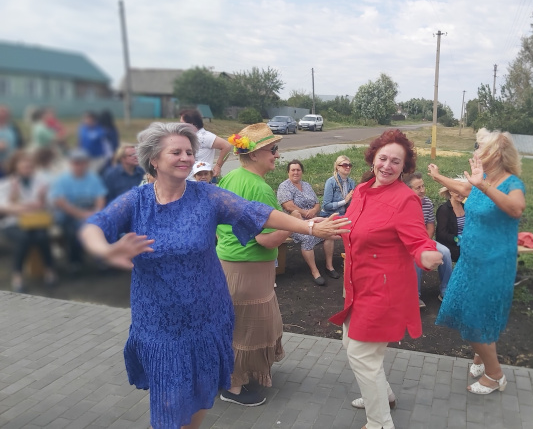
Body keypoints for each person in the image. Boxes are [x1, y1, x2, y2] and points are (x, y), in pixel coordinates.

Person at [78, 122, 349, 429]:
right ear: (154, 159)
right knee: (169, 401)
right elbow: (93, 226)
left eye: (189, 152)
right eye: (176, 152)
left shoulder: (206, 196)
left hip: (208, 318)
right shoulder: (136, 201)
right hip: (160, 323)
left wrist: (310, 226)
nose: (186, 157)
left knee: (201, 392)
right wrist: (106, 251)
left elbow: (256, 212)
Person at [329, 129, 443, 429]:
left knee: (362, 354)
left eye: (396, 161)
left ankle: (380, 422)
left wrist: (425, 254)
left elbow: (418, 238)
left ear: (404, 167)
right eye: (383, 158)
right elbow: (351, 223)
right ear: (373, 158)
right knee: (353, 345)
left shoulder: (406, 199)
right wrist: (324, 224)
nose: (387, 166)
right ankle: (384, 395)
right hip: (357, 283)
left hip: (383, 290)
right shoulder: (363, 189)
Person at [427, 128, 526, 395]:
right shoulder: (484, 179)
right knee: (461, 309)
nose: (476, 152)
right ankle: (481, 356)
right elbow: (463, 188)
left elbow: (516, 208)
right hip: (470, 261)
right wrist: (438, 176)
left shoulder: (512, 183)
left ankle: (495, 375)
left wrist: (483, 185)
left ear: (495, 154)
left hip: (493, 264)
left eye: (480, 148)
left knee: (473, 319)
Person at [216, 123, 295, 406]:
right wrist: (292, 225)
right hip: (249, 272)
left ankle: (229, 378)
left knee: (233, 327)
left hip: (227, 266)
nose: (277, 155)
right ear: (253, 154)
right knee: (248, 331)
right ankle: (234, 388)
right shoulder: (259, 188)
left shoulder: (230, 177)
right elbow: (266, 239)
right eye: (273, 150)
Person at [0, 150, 57, 292]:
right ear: (16, 167)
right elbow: (3, 207)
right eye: (24, 166)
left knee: (42, 236)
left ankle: (49, 271)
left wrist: (42, 200)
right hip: (12, 222)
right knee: (24, 238)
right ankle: (17, 276)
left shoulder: (41, 182)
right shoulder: (6, 183)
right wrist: (24, 206)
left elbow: (49, 204)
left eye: (30, 166)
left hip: (36, 221)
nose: (28, 169)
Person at [277, 159, 338, 285]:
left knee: (329, 233)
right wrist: (305, 213)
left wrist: (314, 210)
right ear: (288, 172)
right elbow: (288, 206)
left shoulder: (306, 185)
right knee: (307, 238)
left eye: (298, 170)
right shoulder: (284, 187)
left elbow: (317, 203)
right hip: (294, 223)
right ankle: (315, 271)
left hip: (312, 219)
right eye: (293, 170)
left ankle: (329, 266)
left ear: (302, 172)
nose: (296, 172)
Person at [49, 148, 107, 272]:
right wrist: (82, 215)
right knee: (73, 231)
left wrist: (97, 211)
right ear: (71, 163)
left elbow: (100, 197)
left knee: (103, 226)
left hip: (89, 211)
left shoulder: (93, 178)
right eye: (76, 163)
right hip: (69, 213)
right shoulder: (62, 180)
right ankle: (75, 262)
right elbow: (61, 202)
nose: (80, 166)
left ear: (87, 163)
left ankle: (101, 258)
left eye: (82, 162)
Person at [403, 172, 453, 307]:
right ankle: (415, 295)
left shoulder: (427, 203)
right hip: (407, 243)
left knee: (445, 252)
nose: (422, 190)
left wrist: (425, 244)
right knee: (416, 258)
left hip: (423, 240)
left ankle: (446, 290)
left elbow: (430, 227)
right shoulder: (402, 204)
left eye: (423, 186)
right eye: (418, 188)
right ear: (408, 190)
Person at [179, 108, 232, 180]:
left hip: (200, 180)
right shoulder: (189, 137)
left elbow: (227, 146)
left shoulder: (205, 136)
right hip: (188, 180)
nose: (180, 126)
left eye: (182, 124)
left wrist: (218, 166)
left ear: (191, 124)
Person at [435, 180, 467, 264]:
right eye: (457, 192)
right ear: (451, 192)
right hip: (451, 245)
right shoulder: (444, 209)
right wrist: (456, 239)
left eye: (462, 191)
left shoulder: (465, 207)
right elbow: (441, 234)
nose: (460, 194)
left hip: (466, 242)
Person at [0, 105, 20, 177]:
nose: (4, 114)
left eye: (6, 112)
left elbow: (20, 143)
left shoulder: (13, 127)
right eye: (2, 112)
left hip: (11, 164)